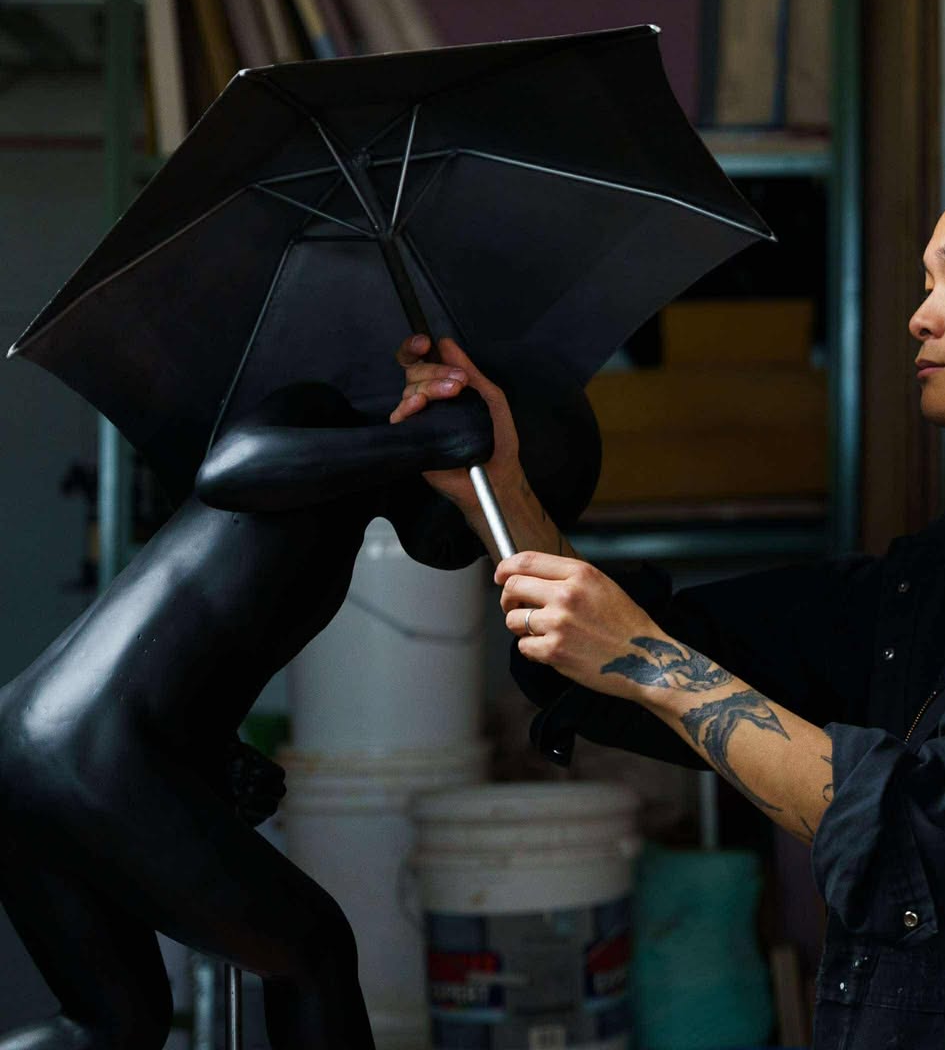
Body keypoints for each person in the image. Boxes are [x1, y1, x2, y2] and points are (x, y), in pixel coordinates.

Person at [391, 159, 945, 1049]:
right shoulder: (919, 583)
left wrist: (649, 661)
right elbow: (622, 656)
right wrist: (498, 492)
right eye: (927, 285)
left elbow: (930, 840)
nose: (921, 315)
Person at [0, 365, 600, 1050]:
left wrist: (210, 755)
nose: (482, 543)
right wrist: (419, 444)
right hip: (96, 754)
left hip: (44, 739)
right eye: (493, 510)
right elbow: (229, 470)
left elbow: (186, 640)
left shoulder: (332, 509)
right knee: (312, 953)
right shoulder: (316, 412)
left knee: (111, 1025)